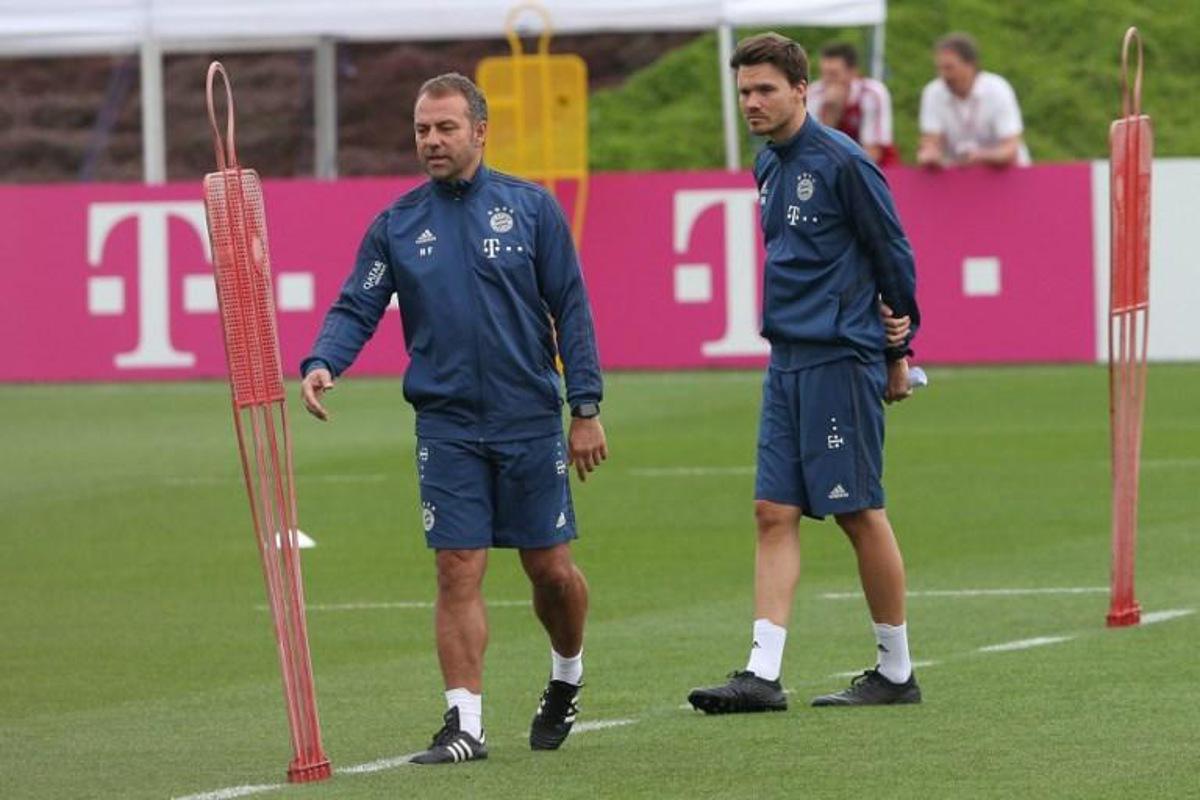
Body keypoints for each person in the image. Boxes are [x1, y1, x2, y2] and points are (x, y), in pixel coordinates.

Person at [299, 73, 607, 765]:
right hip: (446, 424)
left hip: (528, 417)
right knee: (456, 568)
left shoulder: (531, 210)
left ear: (480, 130)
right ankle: (463, 722)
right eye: (421, 130)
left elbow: (573, 309)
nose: (431, 141)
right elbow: (358, 306)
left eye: (445, 128)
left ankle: (567, 674)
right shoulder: (398, 224)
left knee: (550, 570)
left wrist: (584, 407)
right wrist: (325, 360)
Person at [687, 32, 922, 713]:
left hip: (838, 355)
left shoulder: (844, 163)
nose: (752, 103)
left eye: (763, 90)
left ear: (800, 89)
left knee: (856, 510)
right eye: (743, 93)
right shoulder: (767, 165)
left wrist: (898, 352)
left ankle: (897, 671)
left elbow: (893, 254)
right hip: (787, 357)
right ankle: (762, 673)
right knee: (772, 511)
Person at [916, 32, 1031, 168]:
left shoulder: (998, 89)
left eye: (949, 68)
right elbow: (931, 141)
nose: (943, 75)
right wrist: (930, 155)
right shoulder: (933, 92)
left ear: (971, 65)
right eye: (939, 68)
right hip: (958, 177)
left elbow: (1011, 149)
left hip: (1003, 175)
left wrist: (980, 156)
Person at [807, 41, 897, 166]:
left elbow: (873, 151)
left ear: (852, 73)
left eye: (834, 74)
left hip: (877, 168)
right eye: (824, 74)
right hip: (832, 166)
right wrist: (830, 114)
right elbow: (812, 148)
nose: (828, 81)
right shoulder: (814, 93)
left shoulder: (872, 93)